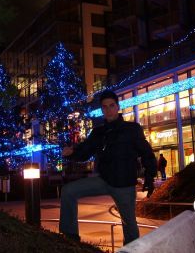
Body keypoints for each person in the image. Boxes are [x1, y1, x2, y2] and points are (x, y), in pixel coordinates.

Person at [59, 90, 157, 245]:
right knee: (68, 191)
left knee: (129, 224)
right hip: (104, 180)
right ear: (102, 110)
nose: (109, 110)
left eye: (112, 106)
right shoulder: (98, 132)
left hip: (124, 184)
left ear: (118, 107)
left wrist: (150, 176)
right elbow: (85, 150)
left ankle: (131, 250)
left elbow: (146, 153)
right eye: (105, 107)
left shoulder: (132, 129)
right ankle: (70, 236)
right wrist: (72, 153)